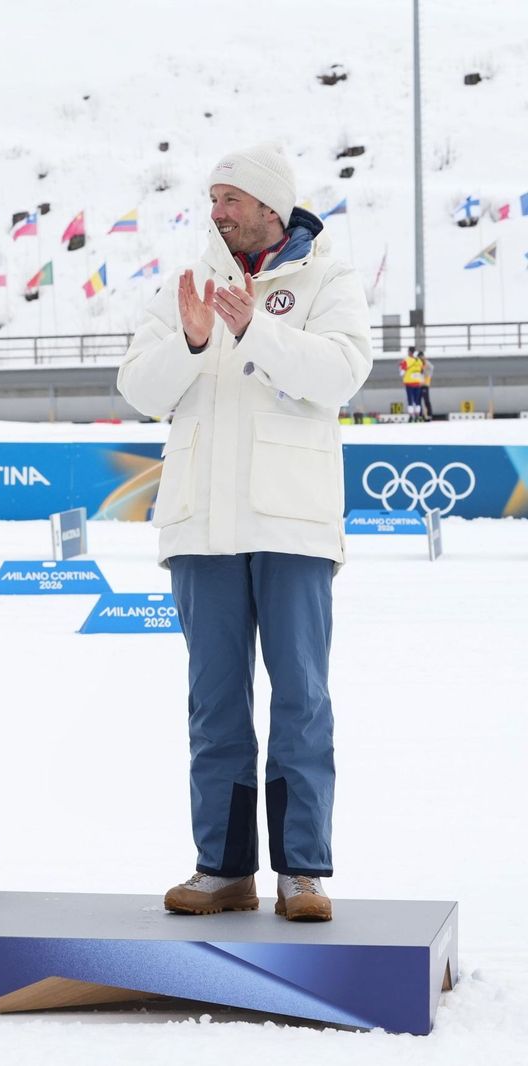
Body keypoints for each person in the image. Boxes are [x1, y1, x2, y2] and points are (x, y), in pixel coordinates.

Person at [117, 143, 372, 922]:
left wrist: (254, 330)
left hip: (292, 523)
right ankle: (223, 869)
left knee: (301, 696)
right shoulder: (189, 280)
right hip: (202, 527)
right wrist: (193, 342)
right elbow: (136, 387)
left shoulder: (329, 276)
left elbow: (340, 375)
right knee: (215, 702)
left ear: (271, 206)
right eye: (214, 197)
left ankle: (301, 870)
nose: (217, 210)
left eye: (231, 198)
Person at [400, 347, 427, 422]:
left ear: (409, 352)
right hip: (417, 383)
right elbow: (422, 370)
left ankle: (411, 416)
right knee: (417, 400)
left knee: (410, 399)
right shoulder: (419, 361)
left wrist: (404, 374)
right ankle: (418, 416)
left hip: (409, 383)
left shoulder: (406, 360)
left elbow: (402, 372)